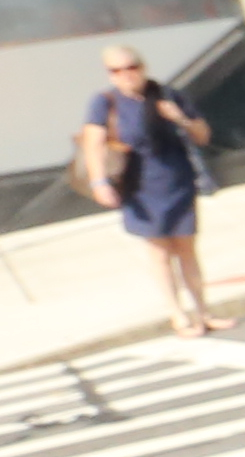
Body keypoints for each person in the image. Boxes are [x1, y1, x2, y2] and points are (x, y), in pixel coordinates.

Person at [75, 39, 222, 334]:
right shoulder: (105, 102)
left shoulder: (167, 95)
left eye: (131, 67)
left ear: (143, 68)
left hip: (177, 181)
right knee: (159, 252)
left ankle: (203, 313)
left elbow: (203, 135)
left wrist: (179, 118)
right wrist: (99, 181)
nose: (125, 75)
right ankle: (178, 315)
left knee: (187, 249)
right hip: (138, 187)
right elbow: (93, 143)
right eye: (115, 71)